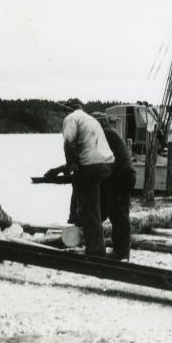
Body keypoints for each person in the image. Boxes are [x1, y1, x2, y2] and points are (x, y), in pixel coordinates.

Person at [61, 98, 114, 256]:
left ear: (68, 109)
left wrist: (72, 166)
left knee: (88, 209)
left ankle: (95, 251)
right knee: (93, 206)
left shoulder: (70, 118)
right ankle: (97, 246)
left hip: (90, 166)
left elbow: (69, 143)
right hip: (106, 164)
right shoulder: (91, 119)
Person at [91, 112, 136, 261]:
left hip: (121, 177)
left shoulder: (106, 135)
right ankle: (120, 251)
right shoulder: (109, 133)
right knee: (116, 214)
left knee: (119, 216)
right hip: (120, 177)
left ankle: (121, 253)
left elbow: (103, 161)